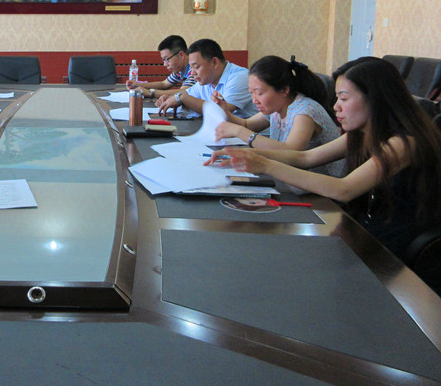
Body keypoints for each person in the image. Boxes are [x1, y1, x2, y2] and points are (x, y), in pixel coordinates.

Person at [212, 57, 441, 260]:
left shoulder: (403, 143)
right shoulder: (360, 133)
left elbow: (344, 189)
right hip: (366, 223)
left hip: (394, 242)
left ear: (375, 99)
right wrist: (248, 154)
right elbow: (305, 157)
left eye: (343, 98)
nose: (335, 106)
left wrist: (265, 164)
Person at [213, 55, 343, 176]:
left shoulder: (304, 111)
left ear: (284, 90)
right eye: (251, 93)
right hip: (293, 179)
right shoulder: (277, 107)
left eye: (259, 93)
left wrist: (239, 131)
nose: (254, 100)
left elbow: (291, 151)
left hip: (322, 186)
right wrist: (225, 112)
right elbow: (247, 124)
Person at [157, 38, 256, 118]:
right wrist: (171, 98)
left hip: (251, 135)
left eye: (196, 67)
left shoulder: (239, 77)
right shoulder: (207, 79)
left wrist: (181, 98)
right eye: (191, 67)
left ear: (215, 62)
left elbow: (222, 111)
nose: (192, 73)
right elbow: (187, 95)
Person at [126, 35, 196, 101]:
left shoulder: (194, 68)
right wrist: (138, 84)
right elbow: (164, 84)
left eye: (167, 59)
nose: (165, 64)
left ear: (181, 55)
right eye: (163, 60)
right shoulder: (179, 69)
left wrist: (151, 93)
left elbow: (183, 92)